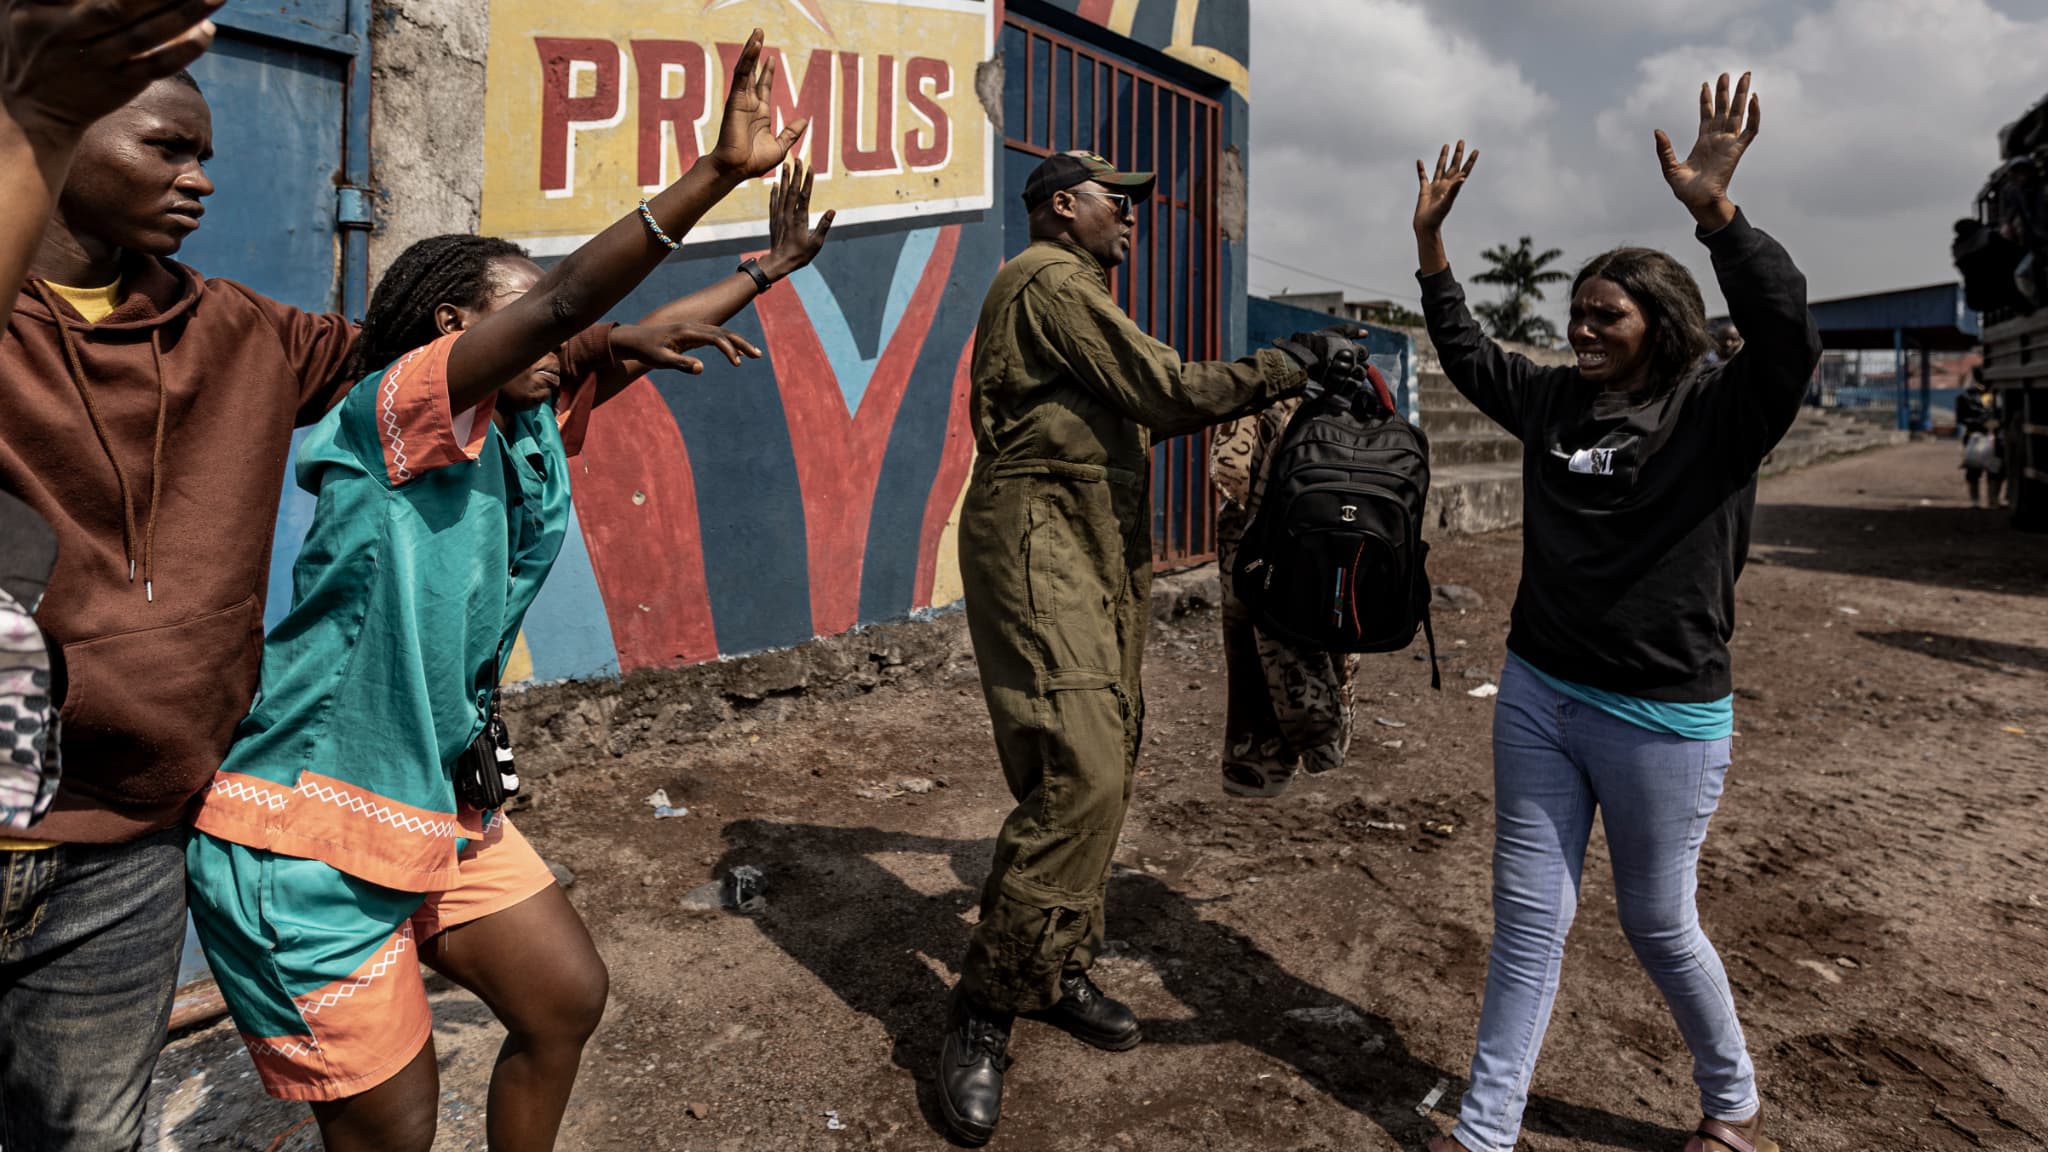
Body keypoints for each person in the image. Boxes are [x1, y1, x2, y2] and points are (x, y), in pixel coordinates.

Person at [179, 36, 826, 1151]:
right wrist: (715, 172)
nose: (559, 341)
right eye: (531, 323)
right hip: (310, 831)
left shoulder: (519, 424)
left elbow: (615, 335)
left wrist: (768, 271)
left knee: (562, 995)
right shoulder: (395, 415)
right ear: (453, 334)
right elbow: (578, 300)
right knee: (396, 1124)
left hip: (436, 802)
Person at [1411, 73, 1815, 1152]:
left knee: (1655, 922)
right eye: (1575, 313)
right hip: (1539, 690)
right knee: (1528, 923)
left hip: (1658, 717)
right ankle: (1483, 1130)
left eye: (1606, 314)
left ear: (1657, 321)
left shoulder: (1719, 412)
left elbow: (1785, 338)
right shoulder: (1552, 398)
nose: (1581, 329)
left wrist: (1715, 214)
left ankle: (1729, 1099)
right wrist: (1433, 254)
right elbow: (1467, 356)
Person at [939, 148, 1354, 1145]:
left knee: (1104, 755)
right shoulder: (1047, 280)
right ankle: (984, 1007)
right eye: (1114, 202)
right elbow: (1164, 390)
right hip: (1043, 533)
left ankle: (1051, 966)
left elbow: (1133, 409)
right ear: (1060, 207)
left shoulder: (1068, 292)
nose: (1130, 216)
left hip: (1087, 535)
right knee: (1079, 766)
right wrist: (1287, 363)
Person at [1212, 396, 1363, 797]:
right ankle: (1323, 740)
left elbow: (1228, 474)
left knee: (1262, 652)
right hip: (1336, 564)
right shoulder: (1365, 410)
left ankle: (1266, 763)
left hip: (1265, 570)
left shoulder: (1263, 406)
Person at [1956, 367, 2005, 507]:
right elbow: (1961, 419)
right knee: (1973, 469)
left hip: (1995, 439)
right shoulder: (1965, 397)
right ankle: (1975, 500)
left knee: (1996, 469)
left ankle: (1993, 499)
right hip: (1975, 438)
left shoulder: (1997, 396)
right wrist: (1981, 424)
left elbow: (2003, 416)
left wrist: (1997, 424)